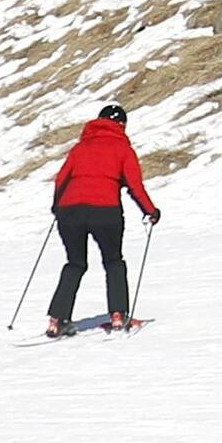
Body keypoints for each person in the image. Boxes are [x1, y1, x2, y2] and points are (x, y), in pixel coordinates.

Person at [47, 99, 160, 336]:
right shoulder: (122, 148)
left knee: (75, 263)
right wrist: (150, 211)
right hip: (105, 212)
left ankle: (57, 320)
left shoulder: (79, 148)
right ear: (121, 124)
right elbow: (134, 186)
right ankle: (118, 315)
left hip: (70, 212)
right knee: (113, 262)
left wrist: (57, 206)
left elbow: (61, 179)